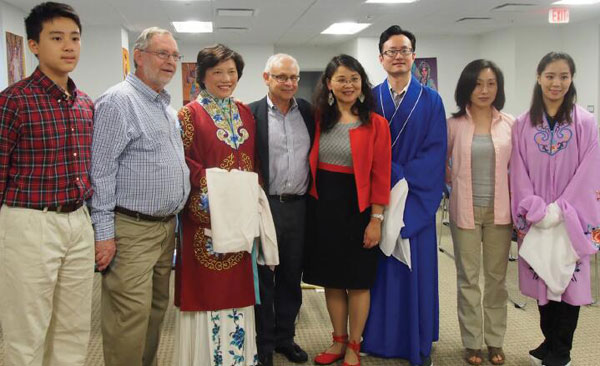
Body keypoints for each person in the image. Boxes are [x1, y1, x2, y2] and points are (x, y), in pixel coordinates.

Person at [0, 2, 95, 364]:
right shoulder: (13, 102)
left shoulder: (85, 103)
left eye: (74, 38)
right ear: (34, 45)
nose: (69, 46)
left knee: (73, 329)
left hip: (77, 222)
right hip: (29, 223)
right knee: (27, 332)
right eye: (57, 38)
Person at [90, 27, 190, 366]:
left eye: (175, 56)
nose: (171, 62)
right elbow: (100, 172)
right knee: (128, 316)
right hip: (130, 228)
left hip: (164, 228)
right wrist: (103, 235)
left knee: (155, 309)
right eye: (163, 54)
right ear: (139, 55)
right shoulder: (119, 101)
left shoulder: (164, 105)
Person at [362, 25, 447, 366]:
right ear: (381, 58)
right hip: (378, 201)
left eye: (404, 50)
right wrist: (383, 181)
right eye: (391, 51)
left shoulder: (431, 100)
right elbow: (363, 147)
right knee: (379, 272)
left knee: (416, 273)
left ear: (414, 56)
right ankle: (379, 339)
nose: (398, 57)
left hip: (415, 201)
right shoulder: (370, 98)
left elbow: (435, 152)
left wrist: (395, 176)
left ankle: (417, 340)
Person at [510, 52, 600, 366]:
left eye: (563, 76)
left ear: (571, 79)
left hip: (571, 218)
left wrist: (562, 209)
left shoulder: (585, 123)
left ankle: (562, 351)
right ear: (538, 77)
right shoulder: (522, 123)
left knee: (569, 285)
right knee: (543, 282)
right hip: (536, 219)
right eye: (550, 76)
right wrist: (534, 207)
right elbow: (518, 170)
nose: (556, 83)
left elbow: (590, 171)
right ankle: (548, 342)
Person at [174, 44, 261, 366]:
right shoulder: (188, 115)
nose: (226, 78)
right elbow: (182, 162)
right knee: (207, 293)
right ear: (202, 76)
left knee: (238, 290)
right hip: (205, 219)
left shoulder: (245, 112)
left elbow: (255, 162)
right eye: (217, 72)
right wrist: (219, 189)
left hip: (240, 219)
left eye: (232, 72)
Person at [303, 54, 391, 366]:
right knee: (332, 278)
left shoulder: (376, 124)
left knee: (357, 280)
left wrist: (376, 220)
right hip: (322, 208)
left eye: (354, 79)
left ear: (362, 84)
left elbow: (382, 176)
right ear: (329, 84)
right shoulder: (317, 119)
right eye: (341, 79)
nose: (348, 85)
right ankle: (338, 341)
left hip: (359, 209)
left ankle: (355, 345)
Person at [446, 59, 514, 366]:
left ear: (498, 88)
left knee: (496, 280)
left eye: (491, 84)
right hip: (466, 212)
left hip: (501, 212)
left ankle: (495, 341)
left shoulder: (511, 124)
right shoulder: (454, 124)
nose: (484, 90)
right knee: (468, 280)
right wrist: (454, 184)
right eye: (478, 84)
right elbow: (441, 164)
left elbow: (520, 169)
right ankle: (472, 342)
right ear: (467, 87)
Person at [249, 54, 315, 366]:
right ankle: (264, 342)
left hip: (299, 207)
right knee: (264, 277)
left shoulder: (310, 113)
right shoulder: (251, 114)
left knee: (291, 275)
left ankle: (285, 338)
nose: (288, 83)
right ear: (266, 78)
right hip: (266, 206)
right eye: (281, 77)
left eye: (293, 77)